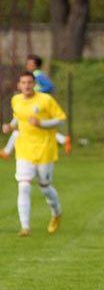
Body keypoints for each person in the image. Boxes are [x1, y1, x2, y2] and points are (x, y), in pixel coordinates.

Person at [2, 71, 67, 237]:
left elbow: (60, 119)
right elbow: (18, 118)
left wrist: (41, 123)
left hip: (45, 147)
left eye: (29, 83)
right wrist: (10, 126)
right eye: (23, 83)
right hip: (24, 148)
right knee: (23, 186)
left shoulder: (45, 100)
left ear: (34, 84)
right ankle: (25, 227)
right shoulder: (16, 100)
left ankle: (56, 213)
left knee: (45, 188)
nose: (26, 86)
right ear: (19, 85)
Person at [1, 55, 71, 159]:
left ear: (37, 66)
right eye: (28, 64)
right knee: (27, 128)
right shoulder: (19, 95)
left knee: (34, 129)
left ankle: (7, 151)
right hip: (30, 106)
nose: (29, 66)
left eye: (31, 64)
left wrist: (36, 92)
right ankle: (63, 139)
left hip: (37, 106)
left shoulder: (37, 75)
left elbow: (50, 86)